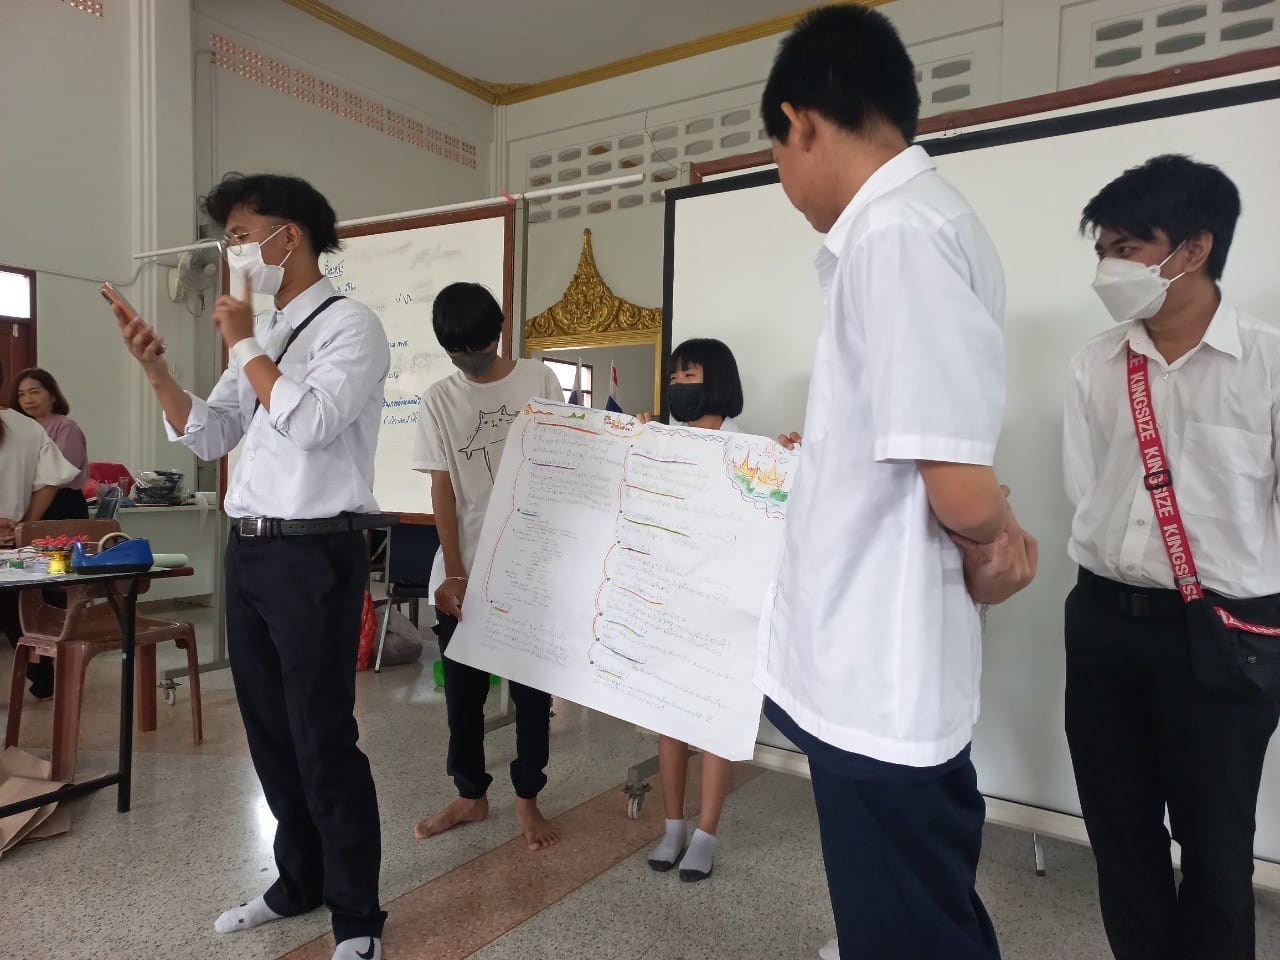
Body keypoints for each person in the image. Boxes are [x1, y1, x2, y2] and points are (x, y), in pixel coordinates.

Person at [754, 7, 1037, 959]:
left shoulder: (897, 233)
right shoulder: (916, 226)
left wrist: (996, 533)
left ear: (801, 121)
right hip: (880, 665)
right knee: (917, 911)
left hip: (879, 672)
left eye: (777, 155)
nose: (784, 181)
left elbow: (956, 485)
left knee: (907, 927)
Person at [112, 173, 390, 960]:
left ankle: (357, 916)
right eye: (228, 238)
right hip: (253, 550)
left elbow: (311, 422)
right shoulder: (263, 335)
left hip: (316, 552)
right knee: (269, 732)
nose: (232, 251)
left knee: (322, 735)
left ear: (287, 237)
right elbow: (211, 435)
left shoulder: (351, 327)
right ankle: (297, 880)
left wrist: (242, 344)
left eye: (239, 235)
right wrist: (157, 372)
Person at [1064, 155, 1279, 960]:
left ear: (1194, 248)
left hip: (1225, 633)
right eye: (1104, 251)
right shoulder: (1094, 363)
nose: (1109, 269)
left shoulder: (1267, 363)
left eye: (1128, 248)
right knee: (1120, 840)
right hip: (1103, 622)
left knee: (1217, 850)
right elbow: (1086, 487)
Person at [411, 281, 566, 851]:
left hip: (531, 572)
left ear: (498, 332)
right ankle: (471, 795)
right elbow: (443, 488)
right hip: (464, 573)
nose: (469, 361)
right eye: (456, 353)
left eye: (475, 349)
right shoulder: (439, 400)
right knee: (463, 697)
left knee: (532, 696)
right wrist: (454, 571)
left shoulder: (540, 381)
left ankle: (527, 797)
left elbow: (561, 467)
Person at [639, 337, 743, 882]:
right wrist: (634, 447)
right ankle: (673, 825)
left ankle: (706, 833)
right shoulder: (661, 444)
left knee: (716, 722)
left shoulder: (750, 453)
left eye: (690, 376)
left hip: (724, 611)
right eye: (674, 378)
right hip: (669, 605)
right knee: (670, 720)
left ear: (717, 382)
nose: (679, 386)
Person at [0, 361, 79, 698]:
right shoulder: (27, 427)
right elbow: (51, 480)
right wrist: (25, 523)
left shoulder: (44, 426)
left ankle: (43, 675)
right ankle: (43, 676)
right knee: (13, 610)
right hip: (11, 543)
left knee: (12, 610)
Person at [12, 367, 90, 520]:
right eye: (21, 394)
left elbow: (59, 475)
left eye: (35, 392)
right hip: (28, 500)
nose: (28, 400)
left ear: (53, 395)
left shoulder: (66, 427)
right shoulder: (21, 427)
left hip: (61, 503)